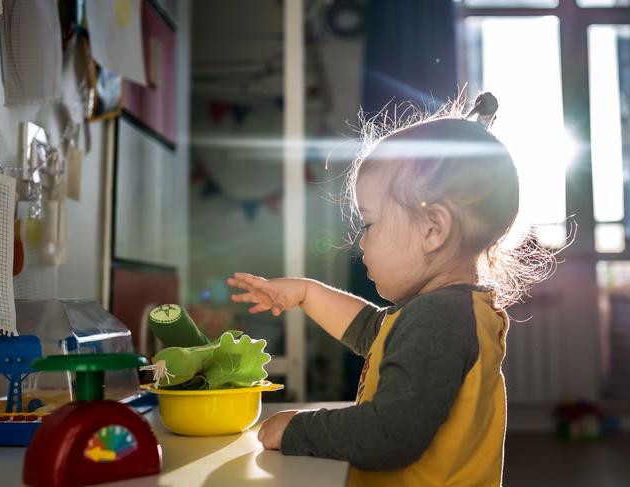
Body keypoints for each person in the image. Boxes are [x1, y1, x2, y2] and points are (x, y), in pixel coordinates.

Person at [227, 93, 555, 486]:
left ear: (433, 230)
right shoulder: (448, 311)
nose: (361, 243)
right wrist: (307, 292)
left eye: (369, 224)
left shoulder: (439, 318)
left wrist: (298, 429)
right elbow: (373, 330)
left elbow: (389, 435)